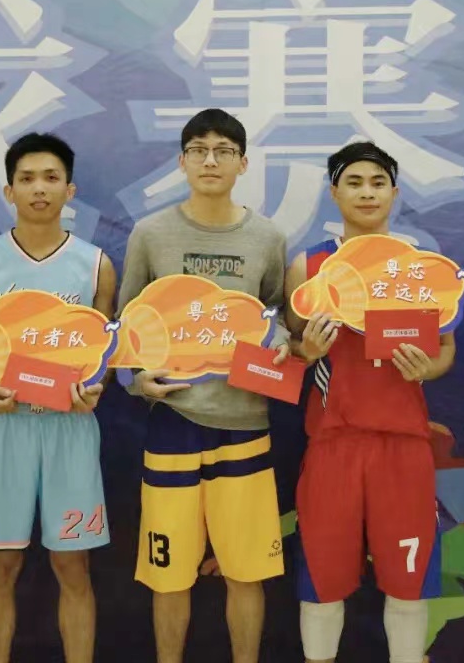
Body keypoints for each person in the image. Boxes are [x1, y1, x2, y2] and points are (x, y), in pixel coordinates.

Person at [117, 108, 290, 663]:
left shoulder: (267, 237)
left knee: (246, 571)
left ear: (243, 163)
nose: (210, 160)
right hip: (173, 424)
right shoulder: (151, 235)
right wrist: (136, 381)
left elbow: (277, 318)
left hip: (245, 425)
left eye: (223, 150)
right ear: (182, 161)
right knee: (169, 574)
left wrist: (282, 343)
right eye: (198, 150)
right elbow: (124, 330)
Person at [283, 142, 452, 663]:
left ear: (395, 193)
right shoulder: (309, 266)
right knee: (323, 580)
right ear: (334, 193)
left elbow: (445, 349)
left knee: (408, 581)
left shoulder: (422, 268)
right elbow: (289, 350)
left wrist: (429, 368)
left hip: (404, 445)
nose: (367, 193)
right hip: (333, 443)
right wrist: (307, 351)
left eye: (378, 183)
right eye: (354, 182)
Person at [0, 133, 116, 663]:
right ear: (9, 190)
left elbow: (103, 358)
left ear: (70, 190)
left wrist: (96, 387)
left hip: (70, 430)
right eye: (26, 179)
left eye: (50, 178)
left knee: (74, 567)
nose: (39, 189)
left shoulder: (96, 265)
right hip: (4, 430)